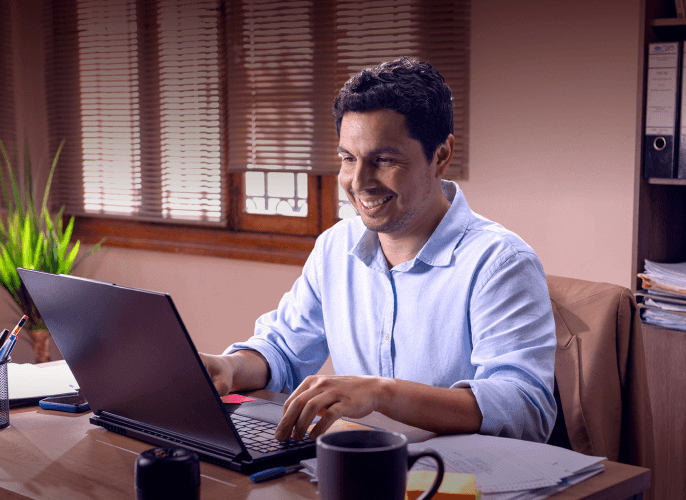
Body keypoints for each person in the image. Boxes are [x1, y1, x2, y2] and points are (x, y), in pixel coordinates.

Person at [200, 57, 557, 444]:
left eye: (383, 160)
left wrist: (381, 393)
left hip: (460, 479)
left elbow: (524, 407)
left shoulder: (500, 262)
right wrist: (229, 368)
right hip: (362, 468)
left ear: (440, 156)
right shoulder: (335, 247)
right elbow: (284, 351)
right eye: (348, 159)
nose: (358, 182)